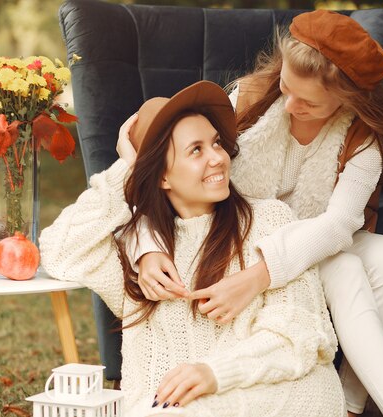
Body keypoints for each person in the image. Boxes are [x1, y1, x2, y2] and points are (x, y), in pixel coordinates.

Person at [124, 10, 383, 417]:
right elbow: (156, 158)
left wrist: (259, 277)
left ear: (347, 99)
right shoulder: (247, 99)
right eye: (287, 86)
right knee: (349, 272)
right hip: (239, 234)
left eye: (309, 102)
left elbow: (337, 226)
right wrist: (146, 243)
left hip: (312, 239)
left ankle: (350, 401)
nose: (289, 105)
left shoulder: (362, 137)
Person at [39, 81, 346, 417]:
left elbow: (298, 332)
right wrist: (127, 170)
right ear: (162, 178)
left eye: (216, 143)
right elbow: (59, 249)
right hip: (175, 407)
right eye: (196, 150)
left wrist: (214, 373)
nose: (218, 158)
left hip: (281, 394)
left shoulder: (270, 219)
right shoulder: (139, 254)